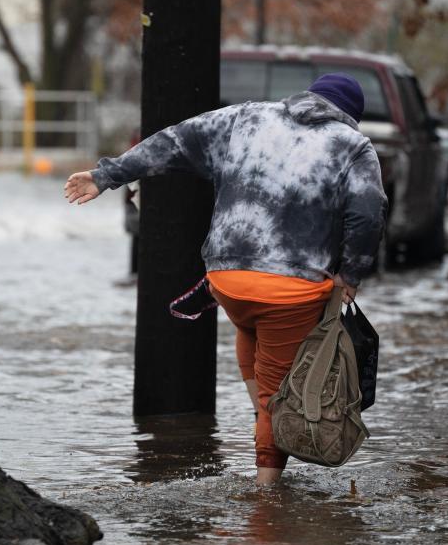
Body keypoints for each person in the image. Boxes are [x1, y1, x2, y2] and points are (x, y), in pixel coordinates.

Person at [64, 73, 388, 486]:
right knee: (276, 394)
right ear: (349, 115)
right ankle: (267, 496)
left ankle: (266, 418)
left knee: (254, 335)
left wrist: (105, 175)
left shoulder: (245, 117)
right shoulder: (353, 145)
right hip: (289, 290)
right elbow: (368, 212)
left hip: (226, 280)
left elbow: (172, 142)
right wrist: (351, 273)